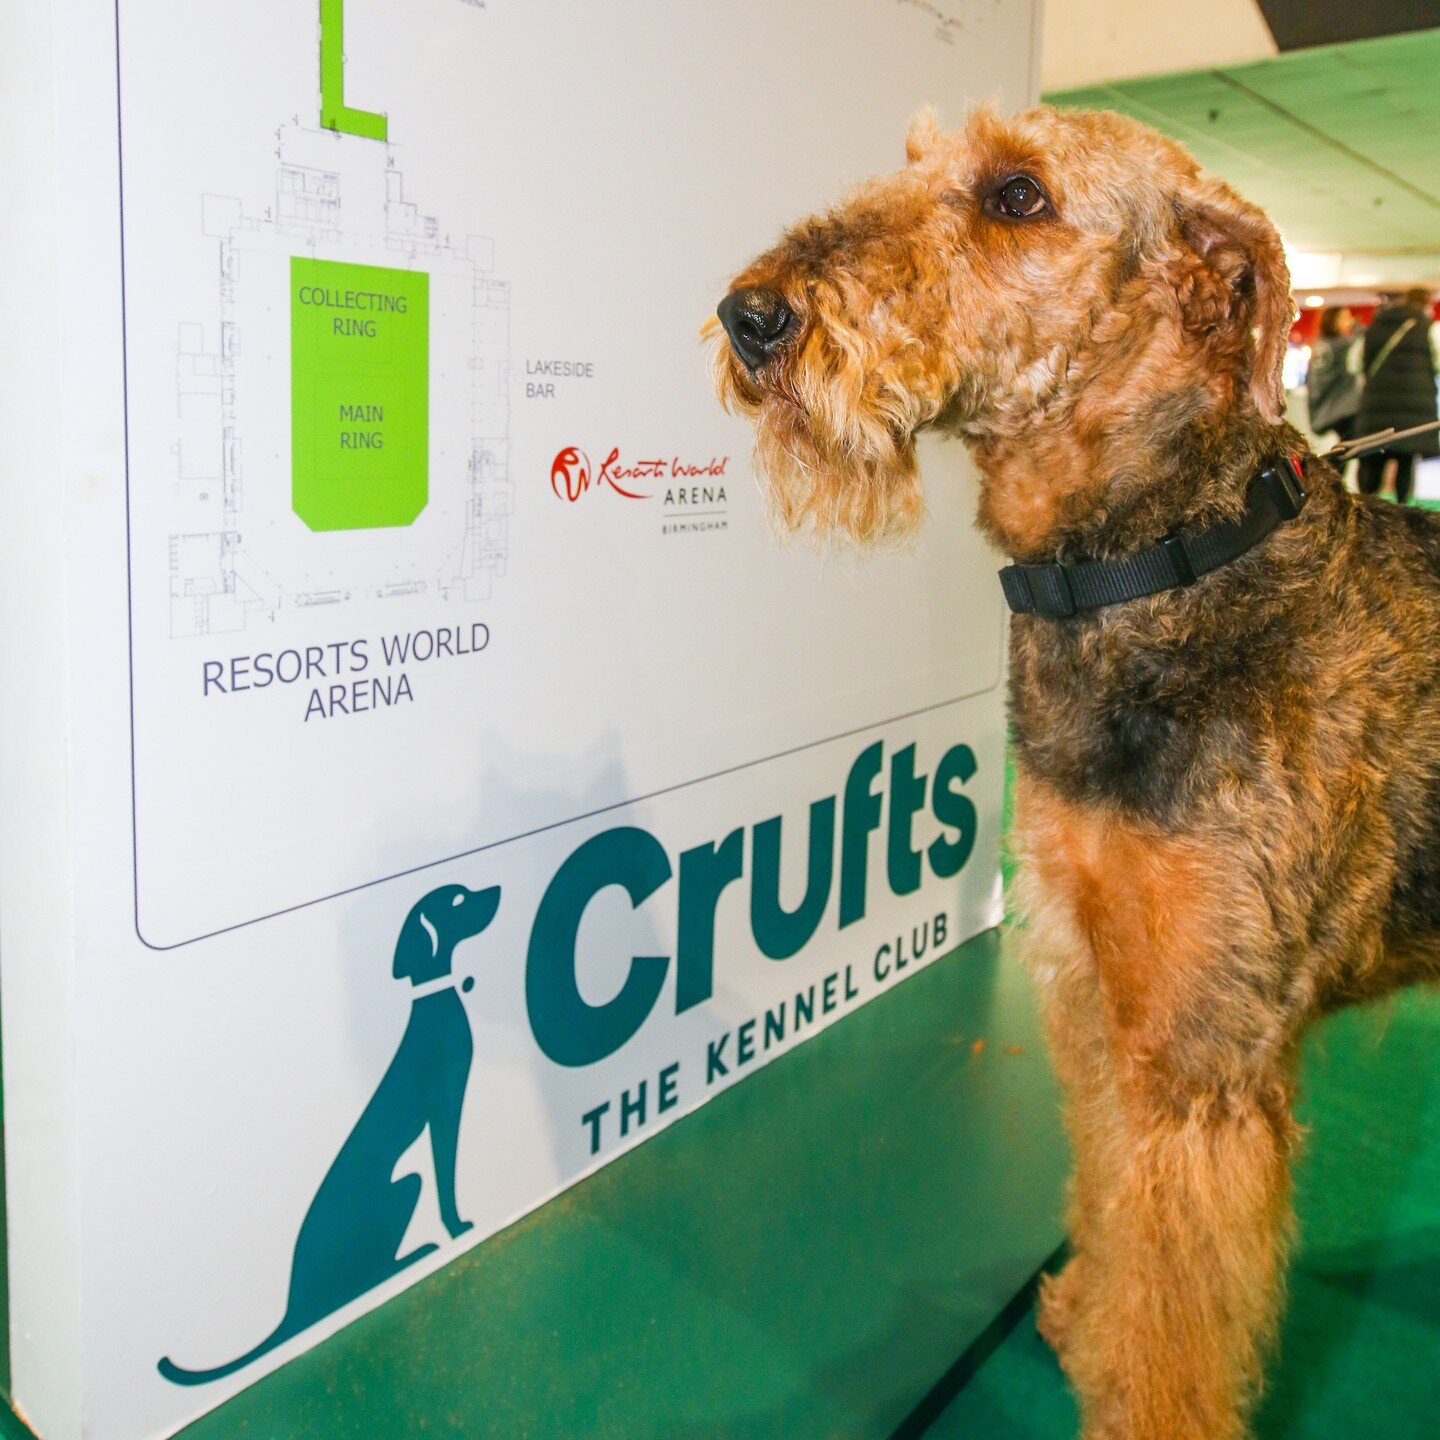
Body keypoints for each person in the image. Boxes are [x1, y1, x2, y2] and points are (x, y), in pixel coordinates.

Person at [1354, 288, 1440, 505]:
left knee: (1371, 466)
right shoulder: (1427, 328)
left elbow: (1354, 365)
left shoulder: (1373, 327)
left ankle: (1363, 515)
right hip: (1412, 411)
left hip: (1375, 409)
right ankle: (1402, 517)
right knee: (1405, 464)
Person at [1306, 306, 1364, 443]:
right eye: (1345, 318)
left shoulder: (1320, 344)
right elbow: (1365, 336)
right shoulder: (1341, 344)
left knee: (1344, 448)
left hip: (1325, 409)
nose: (1349, 321)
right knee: (1351, 448)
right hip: (1342, 409)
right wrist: (1355, 325)